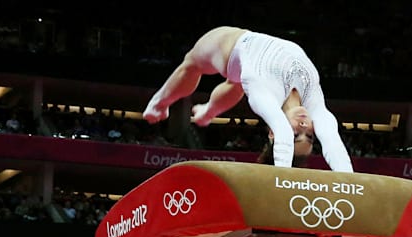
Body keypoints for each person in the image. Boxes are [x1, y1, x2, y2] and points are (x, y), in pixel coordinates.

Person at [143, 26, 353, 172]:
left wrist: (283, 180)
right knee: (236, 85)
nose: (305, 126)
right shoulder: (314, 102)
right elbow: (333, 142)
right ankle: (207, 112)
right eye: (310, 135)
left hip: (232, 47)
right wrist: (353, 184)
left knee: (192, 63)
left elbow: (282, 133)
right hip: (250, 63)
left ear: (271, 133)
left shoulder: (264, 98)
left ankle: (158, 104)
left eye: (296, 134)